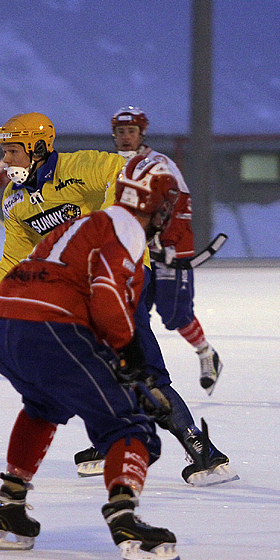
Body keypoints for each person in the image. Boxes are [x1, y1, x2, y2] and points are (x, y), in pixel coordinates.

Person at [0, 112, 234, 487]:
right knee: (86, 367)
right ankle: (113, 437)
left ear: (39, 147)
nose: (6, 161)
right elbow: (14, 258)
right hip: (76, 292)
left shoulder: (82, 165)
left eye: (12, 151)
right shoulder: (15, 202)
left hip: (118, 278)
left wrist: (110, 231)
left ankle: (202, 451)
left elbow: (124, 178)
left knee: (139, 366)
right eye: (5, 152)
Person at [0, 155, 181, 560]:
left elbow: (71, 287)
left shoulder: (82, 223)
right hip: (47, 327)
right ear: (154, 205)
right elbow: (106, 294)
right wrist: (129, 355)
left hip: (1, 322)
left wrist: (119, 361)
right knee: (129, 424)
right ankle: (126, 523)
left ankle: (9, 511)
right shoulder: (126, 229)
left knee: (44, 406)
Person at [111, 106, 222, 393]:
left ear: (142, 133)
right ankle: (136, 371)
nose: (126, 137)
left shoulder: (159, 163)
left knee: (175, 314)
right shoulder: (111, 164)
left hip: (170, 248)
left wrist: (167, 241)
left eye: (131, 131)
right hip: (136, 251)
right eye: (121, 132)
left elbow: (181, 205)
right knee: (134, 311)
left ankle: (206, 353)